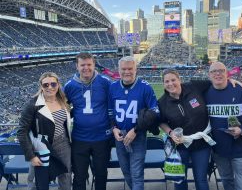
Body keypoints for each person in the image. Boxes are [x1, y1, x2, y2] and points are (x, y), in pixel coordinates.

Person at [205, 61, 242, 190]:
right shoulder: (205, 93)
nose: (217, 73)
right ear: (209, 75)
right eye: (214, 71)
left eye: (221, 70)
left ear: (227, 73)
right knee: (226, 179)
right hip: (219, 148)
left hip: (241, 147)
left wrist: (241, 129)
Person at [109, 56, 159, 190]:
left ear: (136, 69)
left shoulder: (145, 87)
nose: (127, 72)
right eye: (124, 69)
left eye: (130, 68)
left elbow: (154, 112)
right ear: (118, 70)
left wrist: (136, 129)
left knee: (136, 173)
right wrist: (114, 128)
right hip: (119, 137)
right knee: (126, 171)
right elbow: (110, 111)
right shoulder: (113, 87)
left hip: (138, 136)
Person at [64, 52, 112, 190]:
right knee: (79, 176)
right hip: (80, 138)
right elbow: (61, 107)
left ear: (94, 65)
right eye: (82, 65)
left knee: (101, 174)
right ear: (76, 66)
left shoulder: (105, 82)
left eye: (89, 64)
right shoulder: (69, 86)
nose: (86, 68)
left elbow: (116, 103)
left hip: (102, 137)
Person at [158, 69, 212, 190]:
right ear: (163, 84)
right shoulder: (162, 102)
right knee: (179, 180)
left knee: (201, 179)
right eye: (166, 81)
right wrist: (170, 133)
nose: (170, 84)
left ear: (179, 79)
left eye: (173, 80)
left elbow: (214, 82)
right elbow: (161, 122)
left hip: (201, 144)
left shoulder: (194, 86)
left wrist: (233, 81)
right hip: (178, 146)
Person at [17, 72, 72, 190]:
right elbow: (22, 131)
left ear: (58, 84)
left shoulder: (63, 100)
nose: (50, 87)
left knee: (66, 175)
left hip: (62, 143)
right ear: (41, 86)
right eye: (46, 85)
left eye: (53, 84)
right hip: (42, 146)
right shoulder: (32, 104)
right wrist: (31, 156)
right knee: (39, 178)